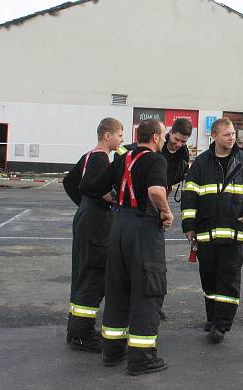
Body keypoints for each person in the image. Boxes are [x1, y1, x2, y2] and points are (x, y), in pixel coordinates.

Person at [88, 119, 174, 376]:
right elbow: (157, 190)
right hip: (144, 229)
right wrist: (167, 213)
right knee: (148, 290)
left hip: (120, 227)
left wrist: (119, 203)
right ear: (157, 138)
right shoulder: (156, 160)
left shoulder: (122, 158)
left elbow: (95, 187)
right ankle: (142, 358)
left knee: (117, 288)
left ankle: (112, 351)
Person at [181, 117, 243, 344]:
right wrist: (188, 225)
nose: (232, 137)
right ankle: (213, 317)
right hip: (206, 235)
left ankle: (222, 325)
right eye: (227, 134)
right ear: (214, 136)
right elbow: (189, 197)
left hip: (234, 235)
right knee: (209, 281)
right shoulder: (201, 163)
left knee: (228, 281)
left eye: (233, 133)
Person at [116, 118, 192, 321]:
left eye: (183, 142)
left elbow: (169, 183)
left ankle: (153, 306)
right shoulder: (153, 152)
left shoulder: (183, 157)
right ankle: (140, 306)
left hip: (156, 208)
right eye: (176, 139)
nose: (178, 144)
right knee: (141, 263)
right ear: (168, 134)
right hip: (142, 207)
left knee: (154, 266)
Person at [62, 117, 124, 352]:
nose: (122, 139)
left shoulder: (89, 156)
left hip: (85, 218)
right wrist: (109, 201)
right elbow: (95, 187)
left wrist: (84, 204)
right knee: (93, 274)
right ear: (107, 136)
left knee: (82, 271)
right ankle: (83, 334)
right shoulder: (100, 158)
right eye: (119, 134)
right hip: (96, 224)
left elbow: (70, 182)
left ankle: (76, 329)